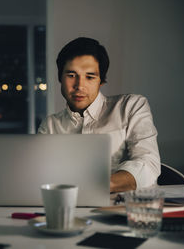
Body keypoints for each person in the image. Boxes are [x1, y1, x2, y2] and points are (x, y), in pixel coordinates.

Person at [38, 37, 160, 193]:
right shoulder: (50, 126)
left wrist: (95, 186)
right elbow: (41, 176)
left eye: (90, 77)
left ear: (101, 81)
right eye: (71, 75)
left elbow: (148, 163)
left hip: (124, 211)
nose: (79, 86)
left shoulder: (131, 106)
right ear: (60, 78)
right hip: (69, 210)